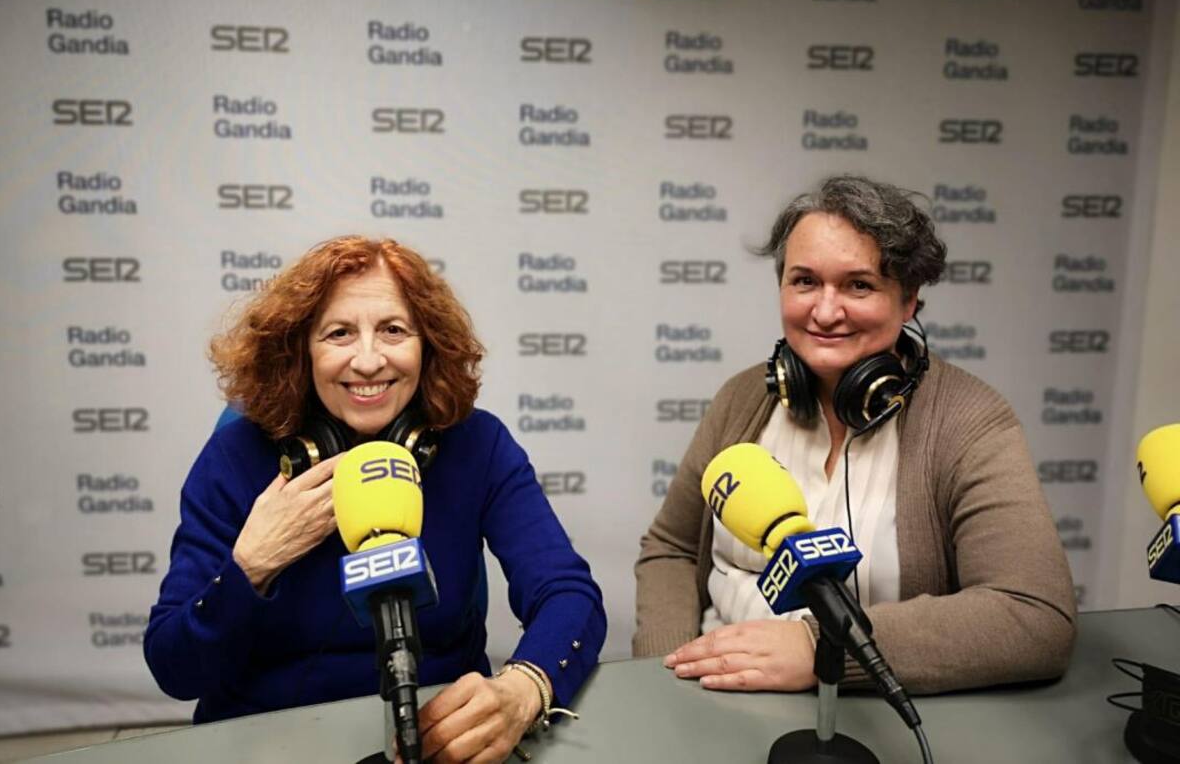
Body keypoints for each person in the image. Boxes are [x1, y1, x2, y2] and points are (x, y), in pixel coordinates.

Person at [145, 236, 605, 762]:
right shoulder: (236, 457)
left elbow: (568, 592)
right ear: (301, 351)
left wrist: (524, 688)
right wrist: (251, 567)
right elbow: (174, 668)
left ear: (427, 344)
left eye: (393, 330)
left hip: (436, 744)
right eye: (339, 333)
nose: (368, 361)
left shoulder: (477, 445)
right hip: (268, 744)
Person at [633, 174, 1075, 694]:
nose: (825, 312)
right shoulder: (741, 399)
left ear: (909, 302)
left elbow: (1034, 615)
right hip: (712, 697)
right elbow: (673, 547)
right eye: (805, 281)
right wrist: (670, 672)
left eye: (858, 285)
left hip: (868, 710)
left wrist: (824, 648)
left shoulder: (969, 421)